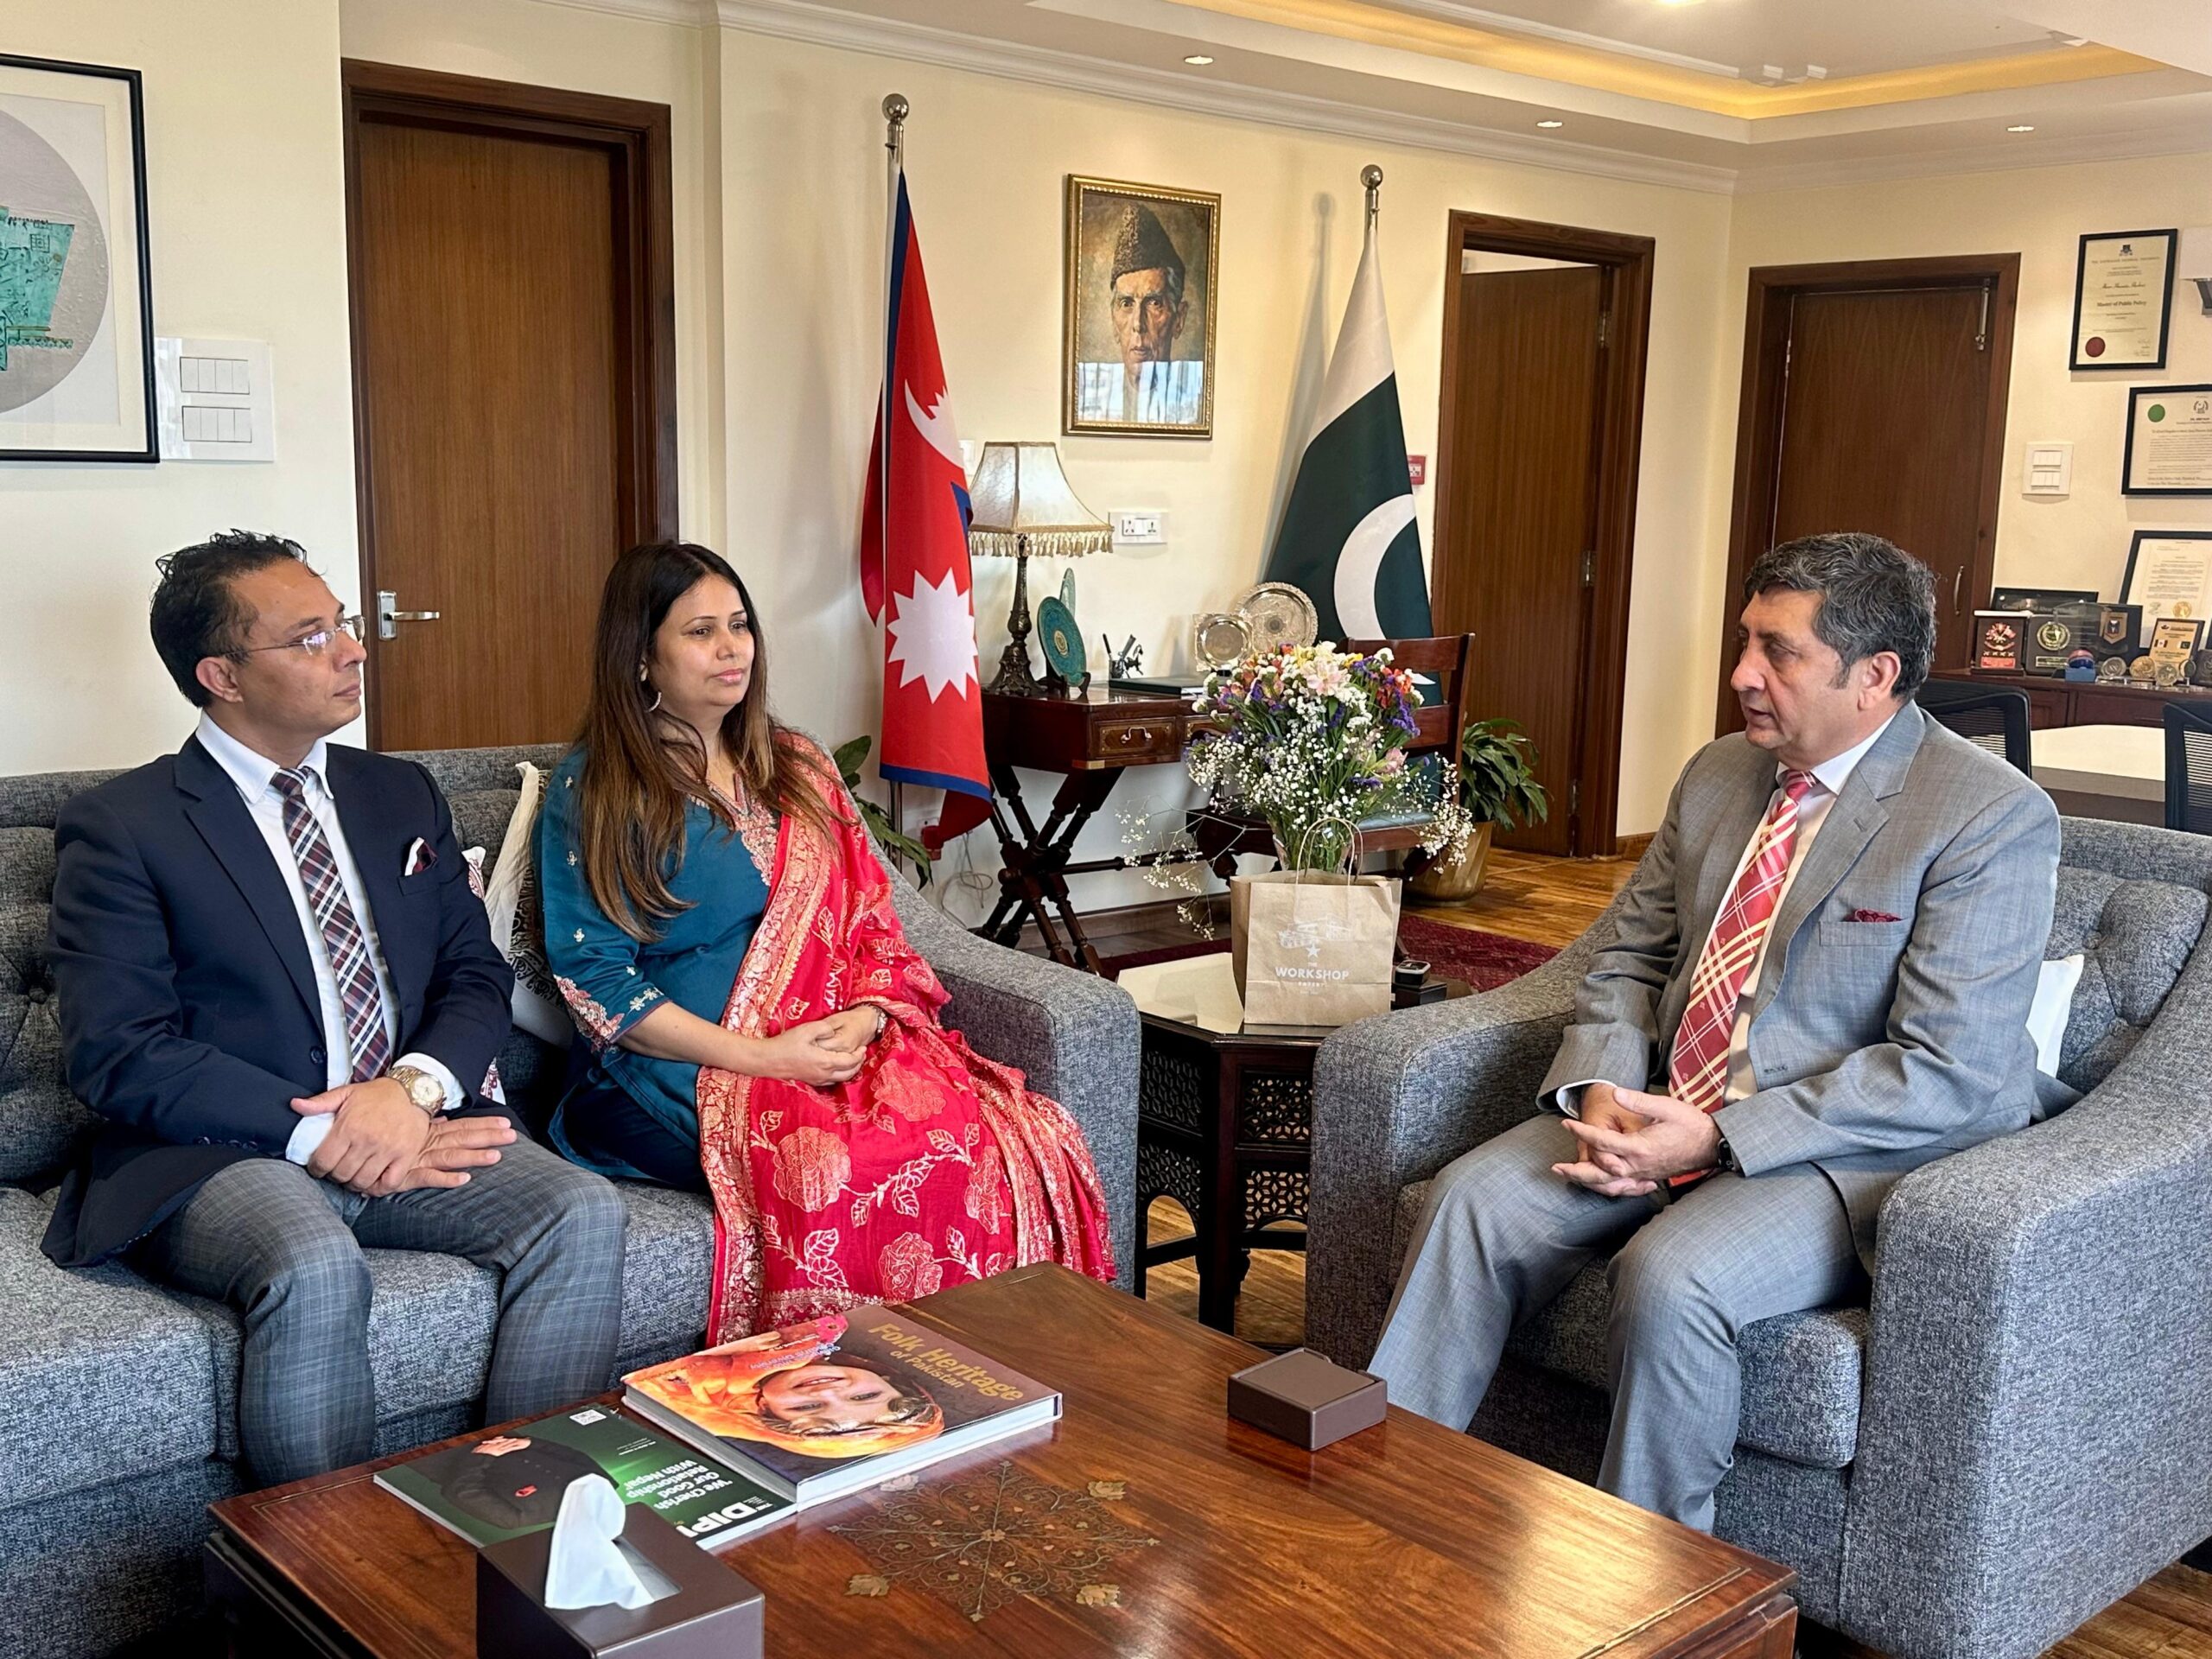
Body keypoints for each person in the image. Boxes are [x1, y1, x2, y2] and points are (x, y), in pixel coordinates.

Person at [1369, 531, 2061, 1531]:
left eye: (1779, 652)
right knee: (1472, 1201)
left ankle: (1646, 1582)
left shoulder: (1987, 816)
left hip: (1838, 1152)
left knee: (1672, 1278)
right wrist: (1602, 1089)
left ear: (1875, 676)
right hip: (1660, 1104)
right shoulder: (1718, 774)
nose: (1741, 674)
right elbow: (1625, 958)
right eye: (1745, 641)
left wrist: (1717, 1137)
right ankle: (1375, 1511)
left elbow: (1947, 1069)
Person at [41, 531, 628, 1487]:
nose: (354, 650)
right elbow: (121, 1052)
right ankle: (335, 1565)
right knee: (313, 1262)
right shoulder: (126, 827)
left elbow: (473, 973)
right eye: (311, 637)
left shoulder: (395, 792)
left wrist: (411, 1089)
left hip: (411, 1116)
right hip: (222, 1149)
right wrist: (327, 1135)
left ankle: (524, 1515)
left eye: (343, 624)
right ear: (222, 675)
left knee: (580, 1211)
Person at [536, 541, 1116, 1341]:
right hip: (678, 1070)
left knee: (1005, 1130)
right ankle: (843, 1389)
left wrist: (871, 1014)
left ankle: (988, 1376)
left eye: (739, 625)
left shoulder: (797, 765)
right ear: (640, 656)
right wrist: (765, 1057)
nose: (732, 648)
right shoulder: (600, 787)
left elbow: (872, 920)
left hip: (830, 1041)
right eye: (700, 631)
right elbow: (594, 977)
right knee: (834, 1164)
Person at [627, 1315, 944, 1460]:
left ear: (764, 1407)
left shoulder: (702, 1387)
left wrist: (726, 1354)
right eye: (865, 1396)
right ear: (887, 1380)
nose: (826, 1393)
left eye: (807, 1408)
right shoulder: (841, 1328)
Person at [1074, 200, 1205, 426]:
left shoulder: (1194, 403)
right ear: (1114, 321)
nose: (1138, 324)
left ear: (1179, 319)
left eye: (1154, 303)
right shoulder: (1094, 403)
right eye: (1126, 303)